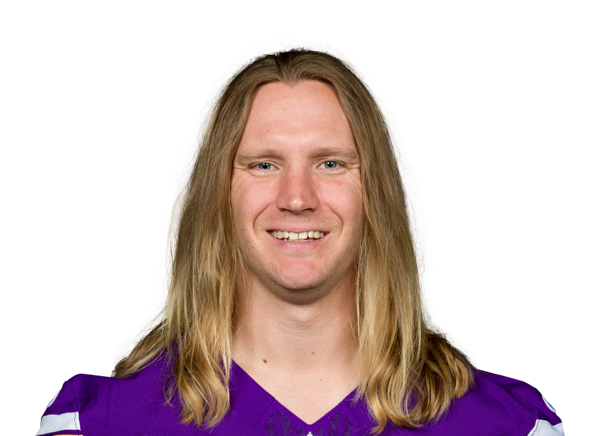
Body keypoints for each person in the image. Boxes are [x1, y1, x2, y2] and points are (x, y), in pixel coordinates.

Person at [37, 39, 565, 436]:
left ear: (375, 193)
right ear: (219, 194)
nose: (297, 197)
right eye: (263, 164)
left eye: (330, 163)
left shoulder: (510, 425)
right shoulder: (97, 423)